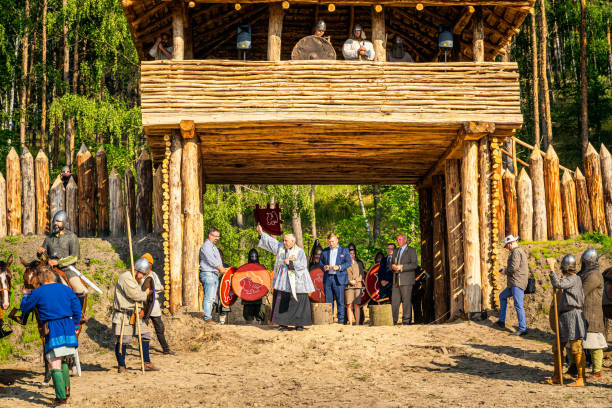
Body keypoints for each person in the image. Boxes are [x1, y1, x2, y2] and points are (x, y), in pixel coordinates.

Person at [20, 266, 81, 405]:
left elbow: (25, 309)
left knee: (54, 363)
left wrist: (25, 295)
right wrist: (76, 325)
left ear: (40, 279)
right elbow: (77, 307)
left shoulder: (38, 292)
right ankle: (66, 390)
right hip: (68, 327)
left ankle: (60, 398)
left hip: (53, 329)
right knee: (63, 359)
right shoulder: (66, 289)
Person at [257, 224, 314, 330]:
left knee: (298, 302)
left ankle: (299, 324)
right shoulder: (281, 248)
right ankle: (283, 324)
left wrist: (291, 263)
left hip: (297, 281)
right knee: (282, 299)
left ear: (293, 241)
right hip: (283, 281)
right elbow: (271, 243)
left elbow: (302, 265)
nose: (284, 242)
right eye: (283, 240)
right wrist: (261, 233)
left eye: (286, 241)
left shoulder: (300, 251)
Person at [543, 255, 588, 387]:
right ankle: (557, 376)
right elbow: (560, 284)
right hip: (563, 317)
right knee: (557, 347)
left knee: (576, 348)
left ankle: (581, 378)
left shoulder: (575, 279)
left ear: (565, 268)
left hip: (573, 315)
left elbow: (558, 284)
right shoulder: (570, 279)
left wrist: (551, 269)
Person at [113, 258, 158, 373]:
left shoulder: (135, 279)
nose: (143, 276)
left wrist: (143, 309)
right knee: (124, 339)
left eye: (144, 274)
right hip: (124, 315)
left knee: (146, 334)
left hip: (135, 314)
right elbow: (135, 295)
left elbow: (138, 297)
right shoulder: (125, 278)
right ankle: (122, 366)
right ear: (136, 270)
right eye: (142, 273)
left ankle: (147, 363)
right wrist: (146, 294)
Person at [567, 249, 605, 380]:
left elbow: (581, 291)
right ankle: (573, 366)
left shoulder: (594, 275)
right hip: (579, 313)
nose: (582, 263)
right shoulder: (583, 274)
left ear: (589, 262)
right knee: (571, 342)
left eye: (584, 262)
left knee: (593, 344)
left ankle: (597, 371)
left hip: (591, 314)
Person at [37, 210, 86, 309]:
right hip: (49, 270)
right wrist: (40, 253)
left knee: (79, 288)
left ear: (64, 222)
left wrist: (58, 262)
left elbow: (74, 257)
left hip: (68, 270)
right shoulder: (49, 238)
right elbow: (44, 257)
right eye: (55, 221)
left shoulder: (72, 237)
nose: (56, 224)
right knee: (32, 286)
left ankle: (79, 316)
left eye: (58, 221)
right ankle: (24, 315)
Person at [495, 235, 529, 336]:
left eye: (506, 246)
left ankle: (522, 329)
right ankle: (501, 321)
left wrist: (505, 271)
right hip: (514, 282)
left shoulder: (516, 252)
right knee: (502, 296)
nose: (506, 248)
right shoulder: (517, 252)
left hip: (517, 282)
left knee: (518, 305)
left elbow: (514, 268)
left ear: (510, 244)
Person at [141, 253, 174, 355]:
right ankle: (143, 351)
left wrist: (154, 289)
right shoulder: (139, 275)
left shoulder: (153, 274)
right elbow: (140, 289)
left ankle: (166, 349)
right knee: (143, 328)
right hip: (144, 304)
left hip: (154, 304)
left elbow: (159, 287)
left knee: (159, 327)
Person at [319, 233, 351, 323]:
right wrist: (324, 267)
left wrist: (339, 267)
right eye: (329, 242)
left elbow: (348, 262)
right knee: (328, 300)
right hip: (328, 278)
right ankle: (329, 319)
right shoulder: (325, 251)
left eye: (332, 241)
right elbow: (320, 263)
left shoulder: (344, 250)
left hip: (339, 278)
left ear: (337, 240)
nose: (331, 243)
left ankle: (340, 320)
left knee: (340, 300)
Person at [198, 227, 226, 323]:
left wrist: (222, 269)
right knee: (209, 297)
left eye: (218, 236)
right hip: (208, 273)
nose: (217, 238)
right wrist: (220, 268)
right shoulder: (206, 246)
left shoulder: (213, 247)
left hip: (214, 274)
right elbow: (211, 260)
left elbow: (218, 261)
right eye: (215, 236)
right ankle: (206, 317)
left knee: (212, 297)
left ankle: (208, 316)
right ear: (210, 235)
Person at [390, 234, 418, 325]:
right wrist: (393, 266)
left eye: (400, 239)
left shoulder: (412, 250)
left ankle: (406, 321)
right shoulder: (395, 251)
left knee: (406, 301)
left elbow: (414, 265)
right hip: (396, 280)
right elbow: (391, 265)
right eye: (397, 239)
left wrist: (402, 267)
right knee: (394, 301)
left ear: (405, 240)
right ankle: (393, 320)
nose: (398, 241)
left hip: (406, 280)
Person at [242, 249, 266, 323]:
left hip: (259, 294)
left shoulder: (262, 268)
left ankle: (260, 321)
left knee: (260, 312)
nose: (253, 257)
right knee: (248, 314)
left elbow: (265, 280)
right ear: (249, 257)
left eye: (255, 256)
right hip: (248, 295)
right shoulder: (244, 268)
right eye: (252, 256)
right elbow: (241, 281)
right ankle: (249, 321)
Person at [345, 244, 364, 325]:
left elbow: (362, 274)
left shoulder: (359, 263)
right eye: (350, 253)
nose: (352, 255)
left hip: (357, 286)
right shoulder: (344, 263)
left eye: (353, 253)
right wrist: (349, 281)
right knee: (349, 305)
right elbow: (343, 275)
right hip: (348, 286)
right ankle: (350, 323)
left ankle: (357, 323)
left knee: (357, 305)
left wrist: (356, 281)